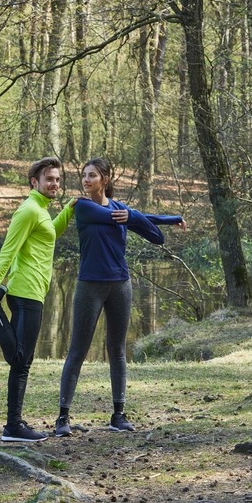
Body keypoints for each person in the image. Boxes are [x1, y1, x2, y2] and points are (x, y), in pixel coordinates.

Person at [54, 157, 186, 437]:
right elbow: (128, 218)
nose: (86, 180)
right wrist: (135, 217)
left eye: (92, 175)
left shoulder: (119, 209)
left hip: (120, 285)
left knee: (117, 350)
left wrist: (171, 219)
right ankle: (62, 418)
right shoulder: (83, 207)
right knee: (77, 350)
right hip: (90, 285)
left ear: (105, 178)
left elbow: (156, 237)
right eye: (84, 176)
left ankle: (118, 415)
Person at [0, 157, 79, 443]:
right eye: (49, 179)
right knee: (19, 361)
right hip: (25, 291)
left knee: (21, 360)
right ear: (34, 182)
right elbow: (7, 252)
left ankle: (14, 425)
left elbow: (48, 235)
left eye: (58, 179)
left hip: (34, 291)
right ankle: (13, 427)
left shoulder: (39, 210)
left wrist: (68, 210)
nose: (55, 184)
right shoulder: (28, 210)